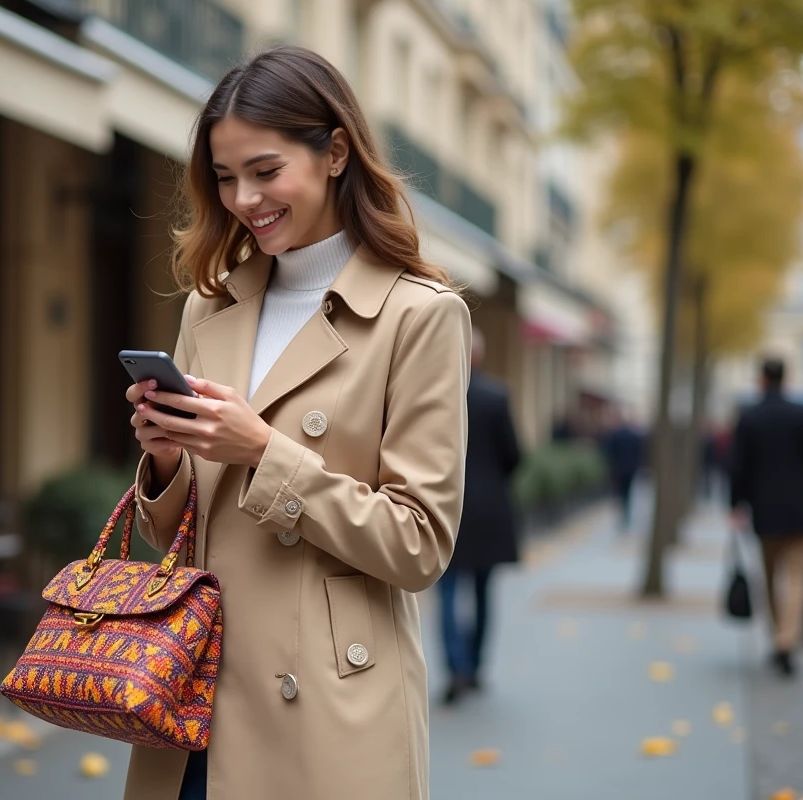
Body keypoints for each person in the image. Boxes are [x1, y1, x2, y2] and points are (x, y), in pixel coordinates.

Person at [123, 45, 470, 800]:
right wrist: (164, 461)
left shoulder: (417, 316)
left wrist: (262, 453)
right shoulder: (209, 308)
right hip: (192, 703)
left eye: (265, 170)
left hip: (325, 711)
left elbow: (420, 544)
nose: (244, 197)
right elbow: (175, 537)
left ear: (336, 151)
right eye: (224, 177)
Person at [730, 357, 803, 677]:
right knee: (798, 577)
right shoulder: (802, 414)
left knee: (770, 576)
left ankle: (778, 639)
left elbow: (738, 466)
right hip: (802, 509)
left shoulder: (750, 416)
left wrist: (736, 504)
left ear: (761, 379)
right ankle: (789, 640)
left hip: (765, 509)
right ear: (786, 379)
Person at [439, 329, 520, 704]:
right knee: (484, 592)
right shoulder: (496, 396)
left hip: (445, 507)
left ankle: (455, 667)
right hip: (488, 511)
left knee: (447, 592)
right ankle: (475, 664)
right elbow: (514, 455)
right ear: (481, 357)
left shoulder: (437, 394)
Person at [601, 408, 643, 531]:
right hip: (630, 468)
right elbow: (639, 452)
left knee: (619, 491)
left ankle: (622, 513)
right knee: (628, 491)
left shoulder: (615, 436)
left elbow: (608, 452)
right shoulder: (633, 436)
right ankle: (626, 513)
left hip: (618, 468)